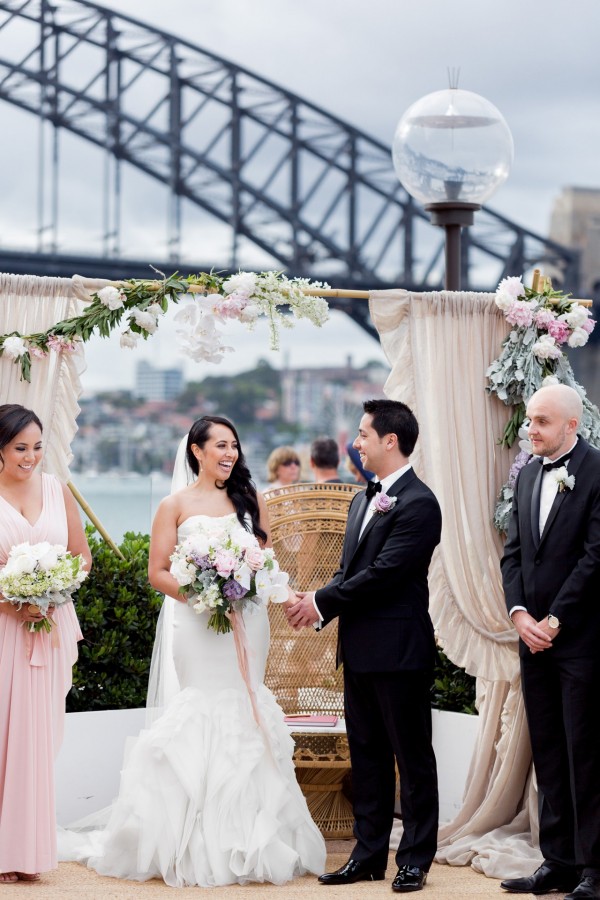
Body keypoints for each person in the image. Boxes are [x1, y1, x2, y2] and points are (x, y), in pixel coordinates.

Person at [60, 415, 325, 888]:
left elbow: (264, 562)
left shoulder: (250, 499)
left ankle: (250, 836)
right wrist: (206, 596)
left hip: (249, 622)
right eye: (220, 445)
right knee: (201, 708)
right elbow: (158, 572)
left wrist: (266, 592)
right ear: (197, 451)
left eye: (235, 445)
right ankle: (187, 838)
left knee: (247, 705)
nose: (230, 453)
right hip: (198, 623)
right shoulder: (173, 504)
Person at [287, 398, 442, 893]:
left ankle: (415, 859)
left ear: (389, 441)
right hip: (358, 651)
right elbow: (350, 570)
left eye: (363, 434)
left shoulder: (420, 503)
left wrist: (318, 601)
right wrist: (316, 606)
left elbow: (385, 575)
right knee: (368, 756)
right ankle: (369, 855)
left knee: (412, 760)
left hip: (400, 652)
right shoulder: (361, 499)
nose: (356, 443)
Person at [500, 384, 600, 900]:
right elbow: (514, 553)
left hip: (580, 640)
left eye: (540, 421)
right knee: (549, 750)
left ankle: (594, 868)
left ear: (570, 426)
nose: (529, 430)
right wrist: (519, 614)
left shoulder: (597, 471)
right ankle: (557, 861)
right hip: (531, 639)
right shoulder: (525, 476)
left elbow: (595, 557)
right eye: (528, 421)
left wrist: (555, 620)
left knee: (587, 753)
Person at [0, 403, 91, 885]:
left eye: (37, 447)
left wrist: (52, 590)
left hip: (49, 629)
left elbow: (81, 558)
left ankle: (27, 852)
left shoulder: (57, 490)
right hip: (3, 631)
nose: (31, 457)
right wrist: (11, 598)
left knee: (37, 739)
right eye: (20, 448)